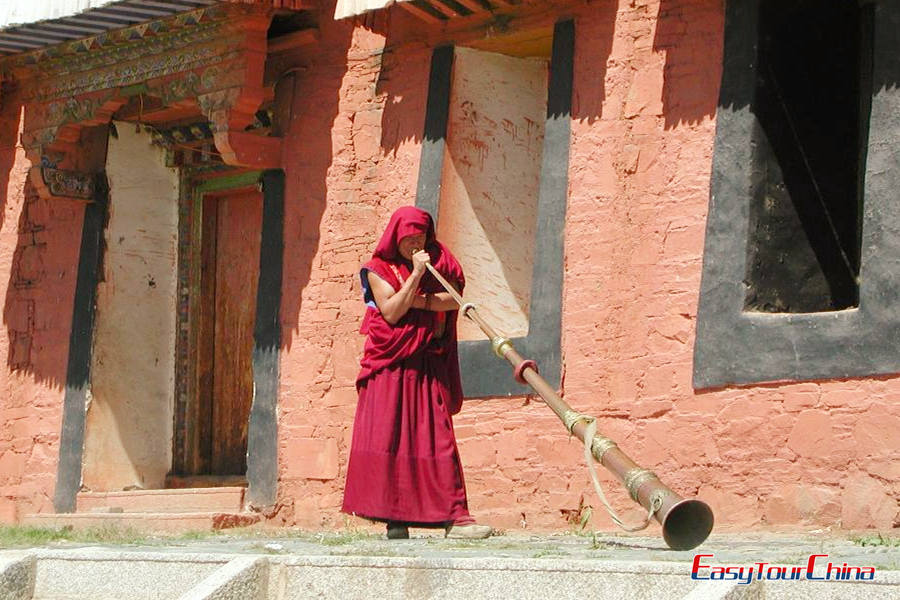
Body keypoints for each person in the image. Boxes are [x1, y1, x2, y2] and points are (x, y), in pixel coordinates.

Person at [341, 206, 492, 540]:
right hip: (390, 368)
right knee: (389, 438)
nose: (415, 244)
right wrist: (416, 277)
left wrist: (420, 300)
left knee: (437, 438)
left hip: (425, 365)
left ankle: (455, 517)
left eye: (420, 237)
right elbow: (392, 312)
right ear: (396, 237)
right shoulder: (377, 269)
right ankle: (394, 518)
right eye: (408, 238)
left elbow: (454, 299)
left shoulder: (439, 262)